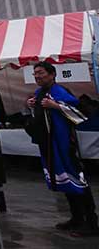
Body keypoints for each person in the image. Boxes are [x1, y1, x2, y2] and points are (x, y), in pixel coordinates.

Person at [26, 61, 97, 237]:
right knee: (65, 182)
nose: (37, 76)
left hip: (65, 145)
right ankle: (76, 217)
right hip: (50, 145)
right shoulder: (39, 93)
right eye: (35, 73)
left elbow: (80, 114)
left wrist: (56, 106)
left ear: (52, 74)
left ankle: (91, 222)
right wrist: (31, 105)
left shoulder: (60, 92)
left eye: (41, 73)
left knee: (78, 181)